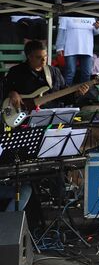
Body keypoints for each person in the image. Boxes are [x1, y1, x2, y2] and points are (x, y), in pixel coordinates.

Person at [1, 41, 89, 211]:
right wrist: (11, 93)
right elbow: (4, 94)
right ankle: (32, 204)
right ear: (29, 57)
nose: (43, 61)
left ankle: (59, 201)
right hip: (24, 127)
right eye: (39, 58)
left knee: (56, 162)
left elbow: (65, 97)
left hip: (49, 125)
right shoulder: (16, 73)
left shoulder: (53, 72)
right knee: (28, 169)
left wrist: (78, 94)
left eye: (45, 57)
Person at [56, 16, 99, 85]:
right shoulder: (66, 16)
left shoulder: (91, 16)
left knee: (87, 73)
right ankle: (65, 94)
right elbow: (61, 31)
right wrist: (59, 47)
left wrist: (97, 27)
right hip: (70, 49)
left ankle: (84, 94)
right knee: (70, 73)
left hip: (87, 49)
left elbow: (96, 32)